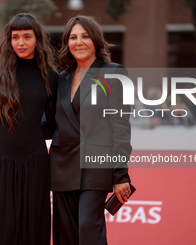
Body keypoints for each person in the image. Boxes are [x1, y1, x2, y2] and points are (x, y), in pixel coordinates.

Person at [0, 13, 58, 245]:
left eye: (27, 36)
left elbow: (53, 123)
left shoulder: (51, 76)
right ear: (9, 41)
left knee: (33, 227)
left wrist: (32, 133)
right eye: (15, 37)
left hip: (36, 161)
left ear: (37, 39)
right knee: (2, 228)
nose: (21, 43)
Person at [50, 16, 132, 245]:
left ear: (96, 41)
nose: (79, 42)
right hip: (63, 165)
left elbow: (121, 128)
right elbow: (53, 122)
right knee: (65, 234)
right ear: (67, 43)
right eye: (73, 37)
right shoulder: (62, 79)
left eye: (85, 36)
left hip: (97, 165)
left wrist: (120, 174)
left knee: (88, 226)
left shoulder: (113, 73)